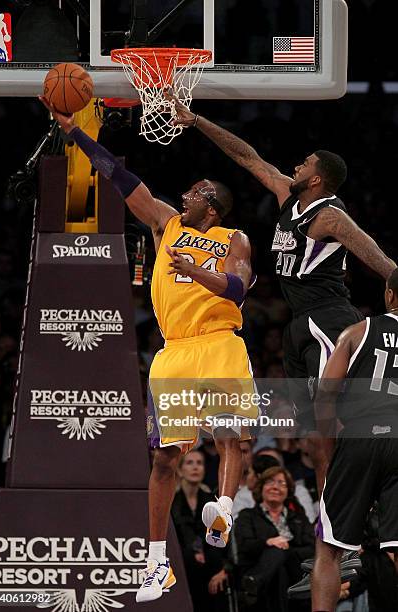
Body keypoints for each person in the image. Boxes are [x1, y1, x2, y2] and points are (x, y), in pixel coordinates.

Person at [39, 97, 259, 603]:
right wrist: (75, 132)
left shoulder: (235, 237)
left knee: (229, 436)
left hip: (219, 341)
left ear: (213, 204)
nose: (183, 194)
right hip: (176, 352)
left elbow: (237, 289)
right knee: (163, 460)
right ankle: (156, 563)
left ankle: (224, 508)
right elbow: (117, 175)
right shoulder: (166, 224)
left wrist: (194, 271)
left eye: (195, 192)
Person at [170, 97, 396, 494]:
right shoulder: (286, 197)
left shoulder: (330, 216)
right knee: (312, 432)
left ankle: (351, 513)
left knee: (333, 423)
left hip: (329, 319)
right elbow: (247, 157)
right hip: (298, 324)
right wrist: (197, 121)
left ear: (316, 179)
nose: (296, 165)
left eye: (305, 163)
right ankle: (331, 522)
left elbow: (376, 255)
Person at [311, 267, 398, 612]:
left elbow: (323, 400)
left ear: (389, 295)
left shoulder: (358, 331)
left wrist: (333, 455)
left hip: (361, 437)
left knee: (329, 548)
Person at [234, 466, 315, 611]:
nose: (275, 487)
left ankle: (254, 582)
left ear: (288, 491)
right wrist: (268, 542)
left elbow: (311, 547)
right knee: (279, 567)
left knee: (281, 554)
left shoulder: (298, 517)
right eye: (270, 482)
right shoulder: (247, 516)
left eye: (281, 483)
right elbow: (244, 545)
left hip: (294, 572)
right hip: (258, 566)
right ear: (261, 487)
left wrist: (287, 550)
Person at [171, 449, 228, 611]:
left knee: (214, 559)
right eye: (190, 463)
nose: (195, 467)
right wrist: (194, 552)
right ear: (180, 470)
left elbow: (222, 537)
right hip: (184, 564)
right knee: (188, 559)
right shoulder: (172, 503)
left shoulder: (213, 502)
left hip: (212, 563)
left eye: (199, 463)